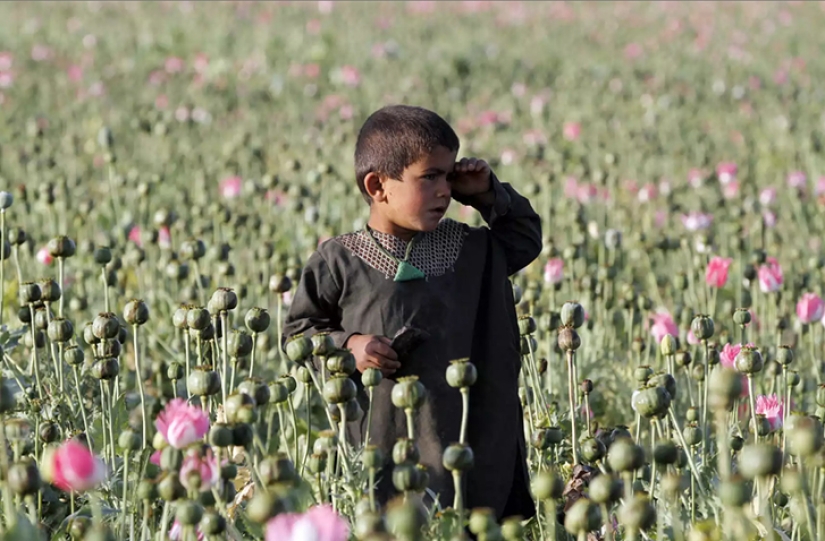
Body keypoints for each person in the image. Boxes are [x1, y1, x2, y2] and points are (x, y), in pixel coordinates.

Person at [283, 104, 542, 521]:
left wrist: (486, 192)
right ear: (378, 185)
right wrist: (349, 346)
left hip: (469, 444)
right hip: (382, 447)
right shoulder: (340, 260)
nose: (445, 189)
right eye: (431, 176)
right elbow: (298, 334)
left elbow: (524, 239)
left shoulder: (474, 250)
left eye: (450, 174)